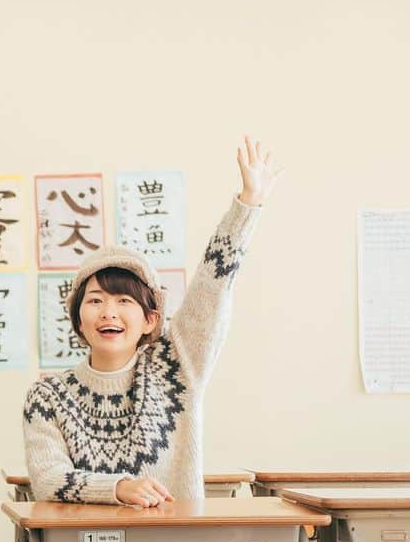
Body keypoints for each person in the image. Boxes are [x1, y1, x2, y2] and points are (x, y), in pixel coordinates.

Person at [24, 137, 282, 507]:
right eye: (95, 301)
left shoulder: (176, 366)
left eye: (124, 301)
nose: (108, 312)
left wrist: (248, 204)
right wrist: (117, 488)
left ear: (150, 321)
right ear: (78, 320)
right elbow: (48, 479)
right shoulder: (47, 397)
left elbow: (213, 286)